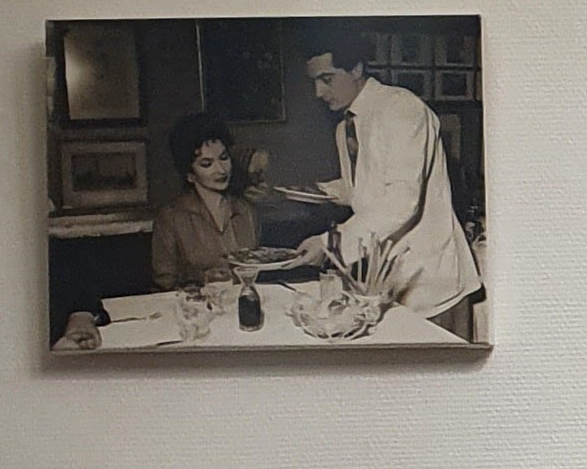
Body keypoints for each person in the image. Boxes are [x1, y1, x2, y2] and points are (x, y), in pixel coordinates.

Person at [275, 30, 483, 329]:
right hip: (384, 282)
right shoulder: (346, 126)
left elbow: (401, 201)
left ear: (356, 69)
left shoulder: (401, 109)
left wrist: (330, 243)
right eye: (314, 82)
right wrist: (313, 191)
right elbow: (364, 188)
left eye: (327, 79)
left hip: (430, 284)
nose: (318, 92)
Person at [146, 112, 259, 288]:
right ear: (190, 174)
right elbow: (164, 283)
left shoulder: (246, 210)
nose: (221, 170)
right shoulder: (171, 217)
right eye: (207, 164)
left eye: (224, 158)